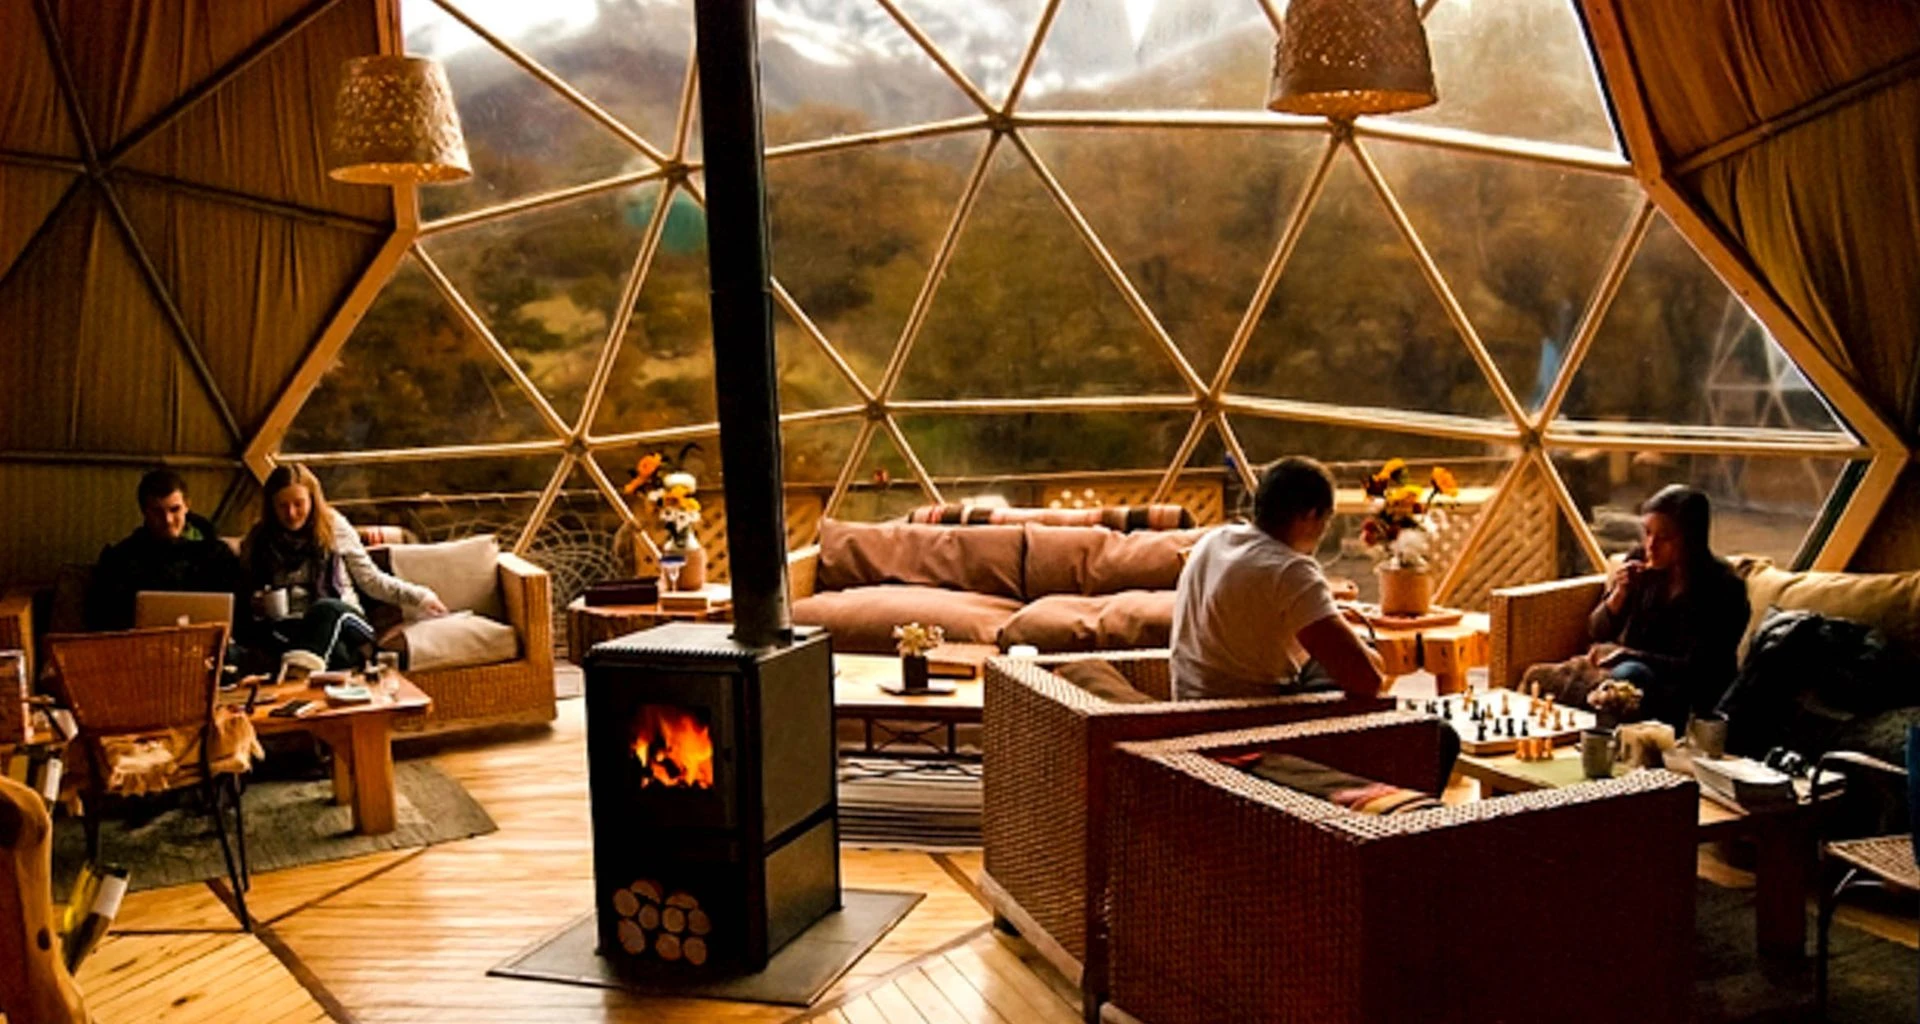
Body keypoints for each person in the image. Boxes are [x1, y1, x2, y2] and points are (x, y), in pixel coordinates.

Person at [1171, 456, 1385, 703]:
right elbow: (1368, 681)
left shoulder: (1213, 540)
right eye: (1327, 519)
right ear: (1311, 515)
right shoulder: (1291, 570)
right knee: (1367, 663)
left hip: (1188, 709)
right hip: (1247, 720)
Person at [239, 465, 447, 670]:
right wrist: (258, 606)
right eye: (283, 506)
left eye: (298, 504)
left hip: (344, 619)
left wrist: (420, 596)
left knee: (325, 609)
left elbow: (371, 581)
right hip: (294, 627)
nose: (291, 513)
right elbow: (251, 597)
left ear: (312, 500)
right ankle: (304, 671)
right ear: (272, 507)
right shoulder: (260, 540)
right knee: (332, 653)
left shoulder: (333, 527)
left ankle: (298, 675)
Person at [1587, 484, 1750, 729]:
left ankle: (1610, 751)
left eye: (1664, 538)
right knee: (1543, 677)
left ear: (1691, 539)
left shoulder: (1724, 588)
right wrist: (1619, 594)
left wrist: (1629, 654)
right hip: (1635, 676)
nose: (1651, 545)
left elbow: (1701, 667)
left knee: (1629, 676)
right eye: (1647, 533)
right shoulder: (1641, 566)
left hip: (1690, 691)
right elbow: (1596, 630)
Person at [86, 469, 244, 631]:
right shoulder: (123, 558)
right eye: (157, 512)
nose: (167, 520)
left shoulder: (216, 554)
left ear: (187, 506)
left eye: (174, 509)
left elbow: (238, 610)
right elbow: (104, 617)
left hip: (206, 645)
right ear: (144, 511)